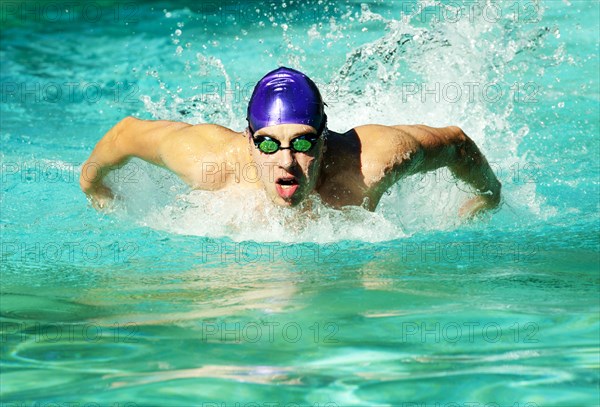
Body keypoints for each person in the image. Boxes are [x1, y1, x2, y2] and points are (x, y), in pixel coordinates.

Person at [80, 67, 501, 217]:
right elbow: (126, 133)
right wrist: (93, 185)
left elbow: (457, 143)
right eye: (268, 144)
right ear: (248, 140)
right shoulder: (209, 162)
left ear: (324, 139)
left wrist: (489, 196)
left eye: (302, 143)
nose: (286, 162)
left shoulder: (373, 163)